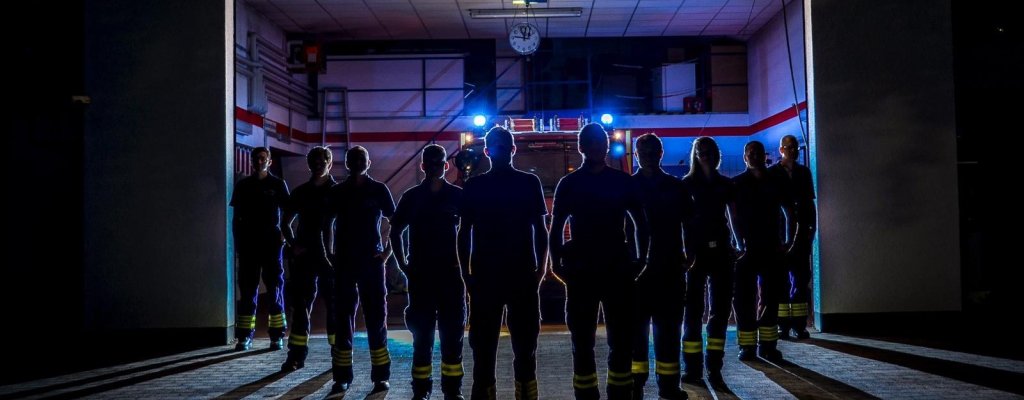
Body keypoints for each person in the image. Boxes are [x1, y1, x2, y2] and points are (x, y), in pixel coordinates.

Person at [550, 123, 649, 400]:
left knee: (621, 340)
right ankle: (586, 395)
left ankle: (619, 394)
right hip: (582, 270)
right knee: (582, 342)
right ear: (582, 147)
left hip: (617, 268)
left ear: (606, 146)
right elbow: (556, 227)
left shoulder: (622, 182)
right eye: (592, 142)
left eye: (601, 142)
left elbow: (641, 223)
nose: (597, 147)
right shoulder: (569, 184)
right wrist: (556, 265)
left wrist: (641, 258)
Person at [458, 127, 548, 400]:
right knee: (518, 349)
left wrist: (467, 275)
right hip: (514, 275)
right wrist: (540, 271)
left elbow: (464, 233)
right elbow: (540, 230)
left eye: (501, 146)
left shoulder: (475, 186)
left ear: (508, 150)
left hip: (491, 277)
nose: (498, 151)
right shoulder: (528, 183)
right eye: (496, 147)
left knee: (493, 349)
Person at [391, 145, 467, 400]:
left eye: (439, 163)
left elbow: (470, 232)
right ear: (423, 166)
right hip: (422, 277)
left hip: (450, 276)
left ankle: (452, 391)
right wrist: (403, 265)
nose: (435, 167)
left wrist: (465, 264)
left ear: (446, 166)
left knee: (452, 337)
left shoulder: (457, 196)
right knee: (422, 338)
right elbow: (395, 231)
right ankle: (421, 391)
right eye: (430, 163)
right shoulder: (411, 198)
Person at [327, 146, 395, 394]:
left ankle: (381, 376)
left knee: (376, 319)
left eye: (361, 158)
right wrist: (330, 253)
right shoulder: (338, 192)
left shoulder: (378, 190)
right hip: (345, 263)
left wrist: (386, 254)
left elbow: (395, 222)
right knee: (343, 320)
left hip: (371, 262)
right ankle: (341, 377)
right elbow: (327, 223)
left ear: (369, 162)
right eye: (352, 159)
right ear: (347, 163)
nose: (357, 162)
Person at [629, 134, 692, 400]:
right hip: (637, 273)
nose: (648, 155)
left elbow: (690, 223)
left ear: (661, 152)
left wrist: (690, 254)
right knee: (636, 335)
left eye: (653, 151)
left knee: (669, 332)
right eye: (643, 151)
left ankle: (668, 386)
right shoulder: (628, 187)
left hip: (669, 269)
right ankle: (636, 385)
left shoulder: (676, 187)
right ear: (636, 155)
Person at [680, 137, 736, 386]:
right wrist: (686, 251)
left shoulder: (726, 184)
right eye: (702, 152)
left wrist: (738, 244)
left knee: (720, 312)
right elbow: (682, 222)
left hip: (722, 251)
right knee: (693, 311)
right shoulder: (686, 184)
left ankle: (714, 367)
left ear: (716, 155)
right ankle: (692, 369)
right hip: (696, 253)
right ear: (695, 155)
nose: (706, 156)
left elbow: (733, 216)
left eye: (710, 152)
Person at [731, 141, 792, 362]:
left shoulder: (777, 179)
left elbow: (788, 210)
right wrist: (739, 245)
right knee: (743, 298)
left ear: (764, 156)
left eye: (757, 152)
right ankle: (746, 346)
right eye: (750, 152)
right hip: (747, 250)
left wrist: (787, 240)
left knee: (771, 297)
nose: (754, 155)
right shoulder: (737, 183)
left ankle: (768, 345)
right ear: (745, 157)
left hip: (771, 247)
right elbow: (733, 217)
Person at [280, 146, 337, 371]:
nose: (318, 165)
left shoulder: (337, 191)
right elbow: (285, 222)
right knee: (301, 305)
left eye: (322, 161)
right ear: (309, 164)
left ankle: (338, 355)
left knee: (334, 306)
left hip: (330, 259)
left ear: (329, 163)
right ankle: (295, 356)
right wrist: (294, 245)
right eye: (314, 161)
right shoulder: (300, 192)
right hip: (305, 256)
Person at [230, 146, 289, 351]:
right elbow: (236, 218)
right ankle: (244, 337)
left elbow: (289, 212)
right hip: (249, 246)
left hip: (271, 245)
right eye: (256, 158)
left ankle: (276, 335)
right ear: (251, 161)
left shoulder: (278, 184)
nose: (259, 161)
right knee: (247, 290)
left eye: (263, 158)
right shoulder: (243, 186)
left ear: (269, 161)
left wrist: (284, 235)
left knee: (274, 290)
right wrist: (238, 243)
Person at [768, 135, 817, 340]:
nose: (793, 151)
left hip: (801, 234)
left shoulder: (804, 172)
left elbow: (809, 202)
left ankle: (799, 325)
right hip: (779, 235)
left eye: (795, 147)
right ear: (781, 150)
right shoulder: (772, 174)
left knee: (801, 278)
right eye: (789, 147)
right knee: (781, 282)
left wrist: (812, 228)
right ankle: (783, 325)